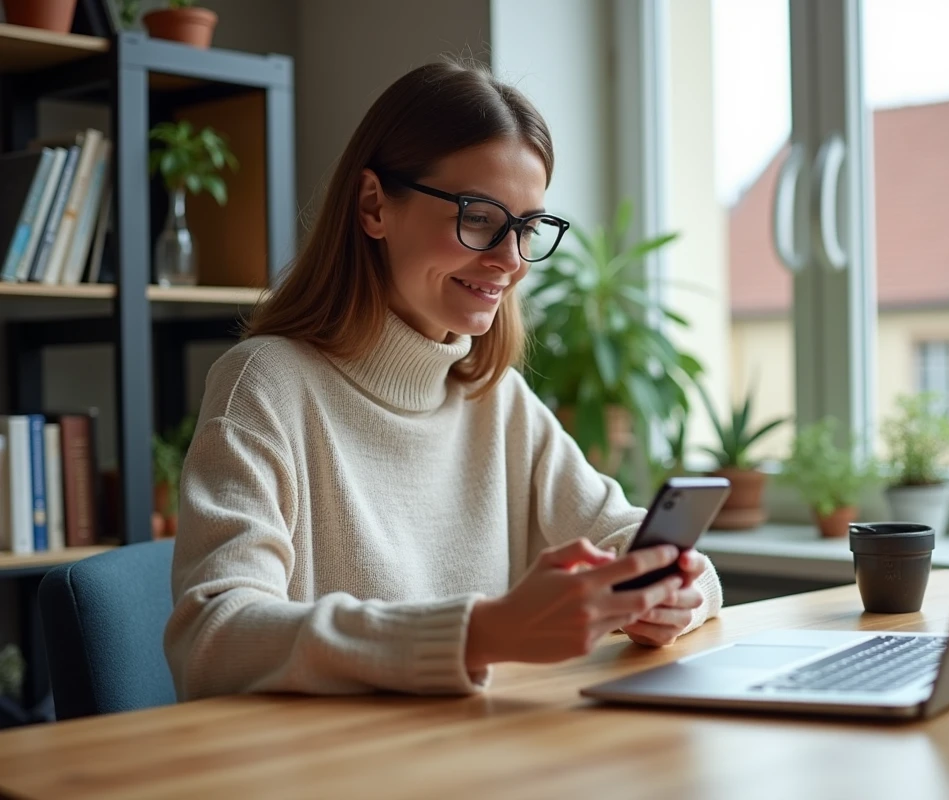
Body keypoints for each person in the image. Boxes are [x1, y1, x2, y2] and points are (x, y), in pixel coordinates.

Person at [163, 59, 724, 701]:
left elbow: (627, 535)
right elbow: (214, 637)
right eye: (479, 216)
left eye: (528, 228)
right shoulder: (264, 386)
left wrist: (677, 594)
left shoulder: (497, 401)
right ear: (374, 205)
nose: (510, 260)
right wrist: (478, 634)